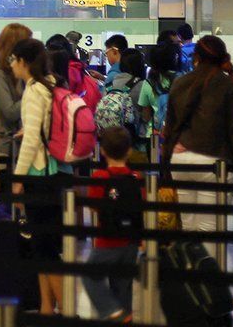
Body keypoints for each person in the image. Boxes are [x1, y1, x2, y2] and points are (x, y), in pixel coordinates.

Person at [161, 36, 233, 251]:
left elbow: (170, 129)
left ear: (196, 57)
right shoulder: (229, 85)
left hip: (180, 159)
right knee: (209, 231)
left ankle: (189, 278)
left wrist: (165, 166)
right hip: (213, 163)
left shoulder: (180, 82)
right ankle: (208, 281)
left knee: (188, 227)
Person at [9, 37, 66, 315]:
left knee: (46, 251)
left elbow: (31, 140)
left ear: (23, 62)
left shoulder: (33, 90)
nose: (11, 65)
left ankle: (66, 310)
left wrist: (17, 179)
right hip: (53, 172)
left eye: (13, 60)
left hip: (38, 176)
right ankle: (46, 307)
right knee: (44, 249)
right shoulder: (50, 84)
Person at [82, 126, 142, 322]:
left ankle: (111, 311)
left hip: (107, 242)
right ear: (130, 151)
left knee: (90, 275)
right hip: (131, 242)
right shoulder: (136, 178)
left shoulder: (100, 177)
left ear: (103, 151)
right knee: (123, 286)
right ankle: (125, 316)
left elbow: (92, 206)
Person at [0, 23, 32, 154]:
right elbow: (10, 112)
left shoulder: (19, 74)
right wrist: (33, 93)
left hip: (24, 145)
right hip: (9, 147)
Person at [137, 42, 179, 142]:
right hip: (178, 136)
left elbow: (146, 116)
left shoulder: (148, 83)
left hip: (155, 136)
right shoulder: (182, 80)